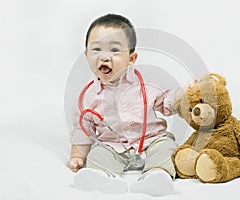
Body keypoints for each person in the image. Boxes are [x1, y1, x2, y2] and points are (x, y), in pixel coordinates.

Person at [67, 13, 179, 196]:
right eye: (96, 49)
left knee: (166, 147)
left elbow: (167, 104)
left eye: (114, 50)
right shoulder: (87, 97)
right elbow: (83, 131)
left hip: (151, 139)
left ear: (131, 58)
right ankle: (103, 179)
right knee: (97, 155)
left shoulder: (146, 84)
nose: (104, 57)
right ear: (86, 55)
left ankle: (157, 175)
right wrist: (77, 157)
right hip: (113, 145)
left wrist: (183, 97)